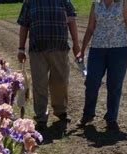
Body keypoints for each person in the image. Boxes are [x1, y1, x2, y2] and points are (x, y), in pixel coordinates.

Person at [17, 0, 80, 132]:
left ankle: (60, 110)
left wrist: (76, 43)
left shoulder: (64, 1)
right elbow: (24, 25)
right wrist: (21, 49)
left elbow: (72, 21)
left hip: (59, 48)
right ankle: (41, 117)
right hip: (37, 50)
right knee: (40, 84)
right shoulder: (29, 2)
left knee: (61, 81)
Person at [76, 0, 127, 131]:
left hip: (119, 50)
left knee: (115, 85)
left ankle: (111, 119)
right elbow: (90, 28)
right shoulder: (96, 4)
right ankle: (87, 115)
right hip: (97, 49)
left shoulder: (123, 3)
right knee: (91, 82)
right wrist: (82, 49)